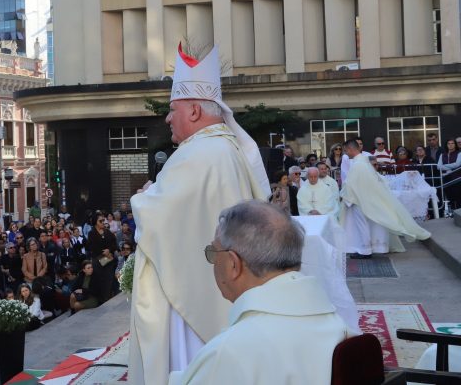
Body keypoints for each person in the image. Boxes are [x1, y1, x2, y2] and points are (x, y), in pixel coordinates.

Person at [129, 44, 271, 385]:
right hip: (219, 285)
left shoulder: (198, 154)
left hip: (193, 301)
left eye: (172, 109)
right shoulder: (226, 147)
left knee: (192, 367)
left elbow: (159, 218)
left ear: (194, 111)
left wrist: (144, 197)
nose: (167, 118)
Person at [168, 201, 350, 385]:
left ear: (233, 264)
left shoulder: (229, 353)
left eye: (214, 252)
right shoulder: (337, 325)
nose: (213, 261)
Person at [341, 140, 431, 255]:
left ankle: (365, 251)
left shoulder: (358, 165)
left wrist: (346, 198)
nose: (345, 153)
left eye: (345, 150)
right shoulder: (364, 163)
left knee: (361, 225)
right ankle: (369, 249)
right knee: (366, 224)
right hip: (364, 198)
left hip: (358, 200)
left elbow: (350, 184)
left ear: (350, 149)